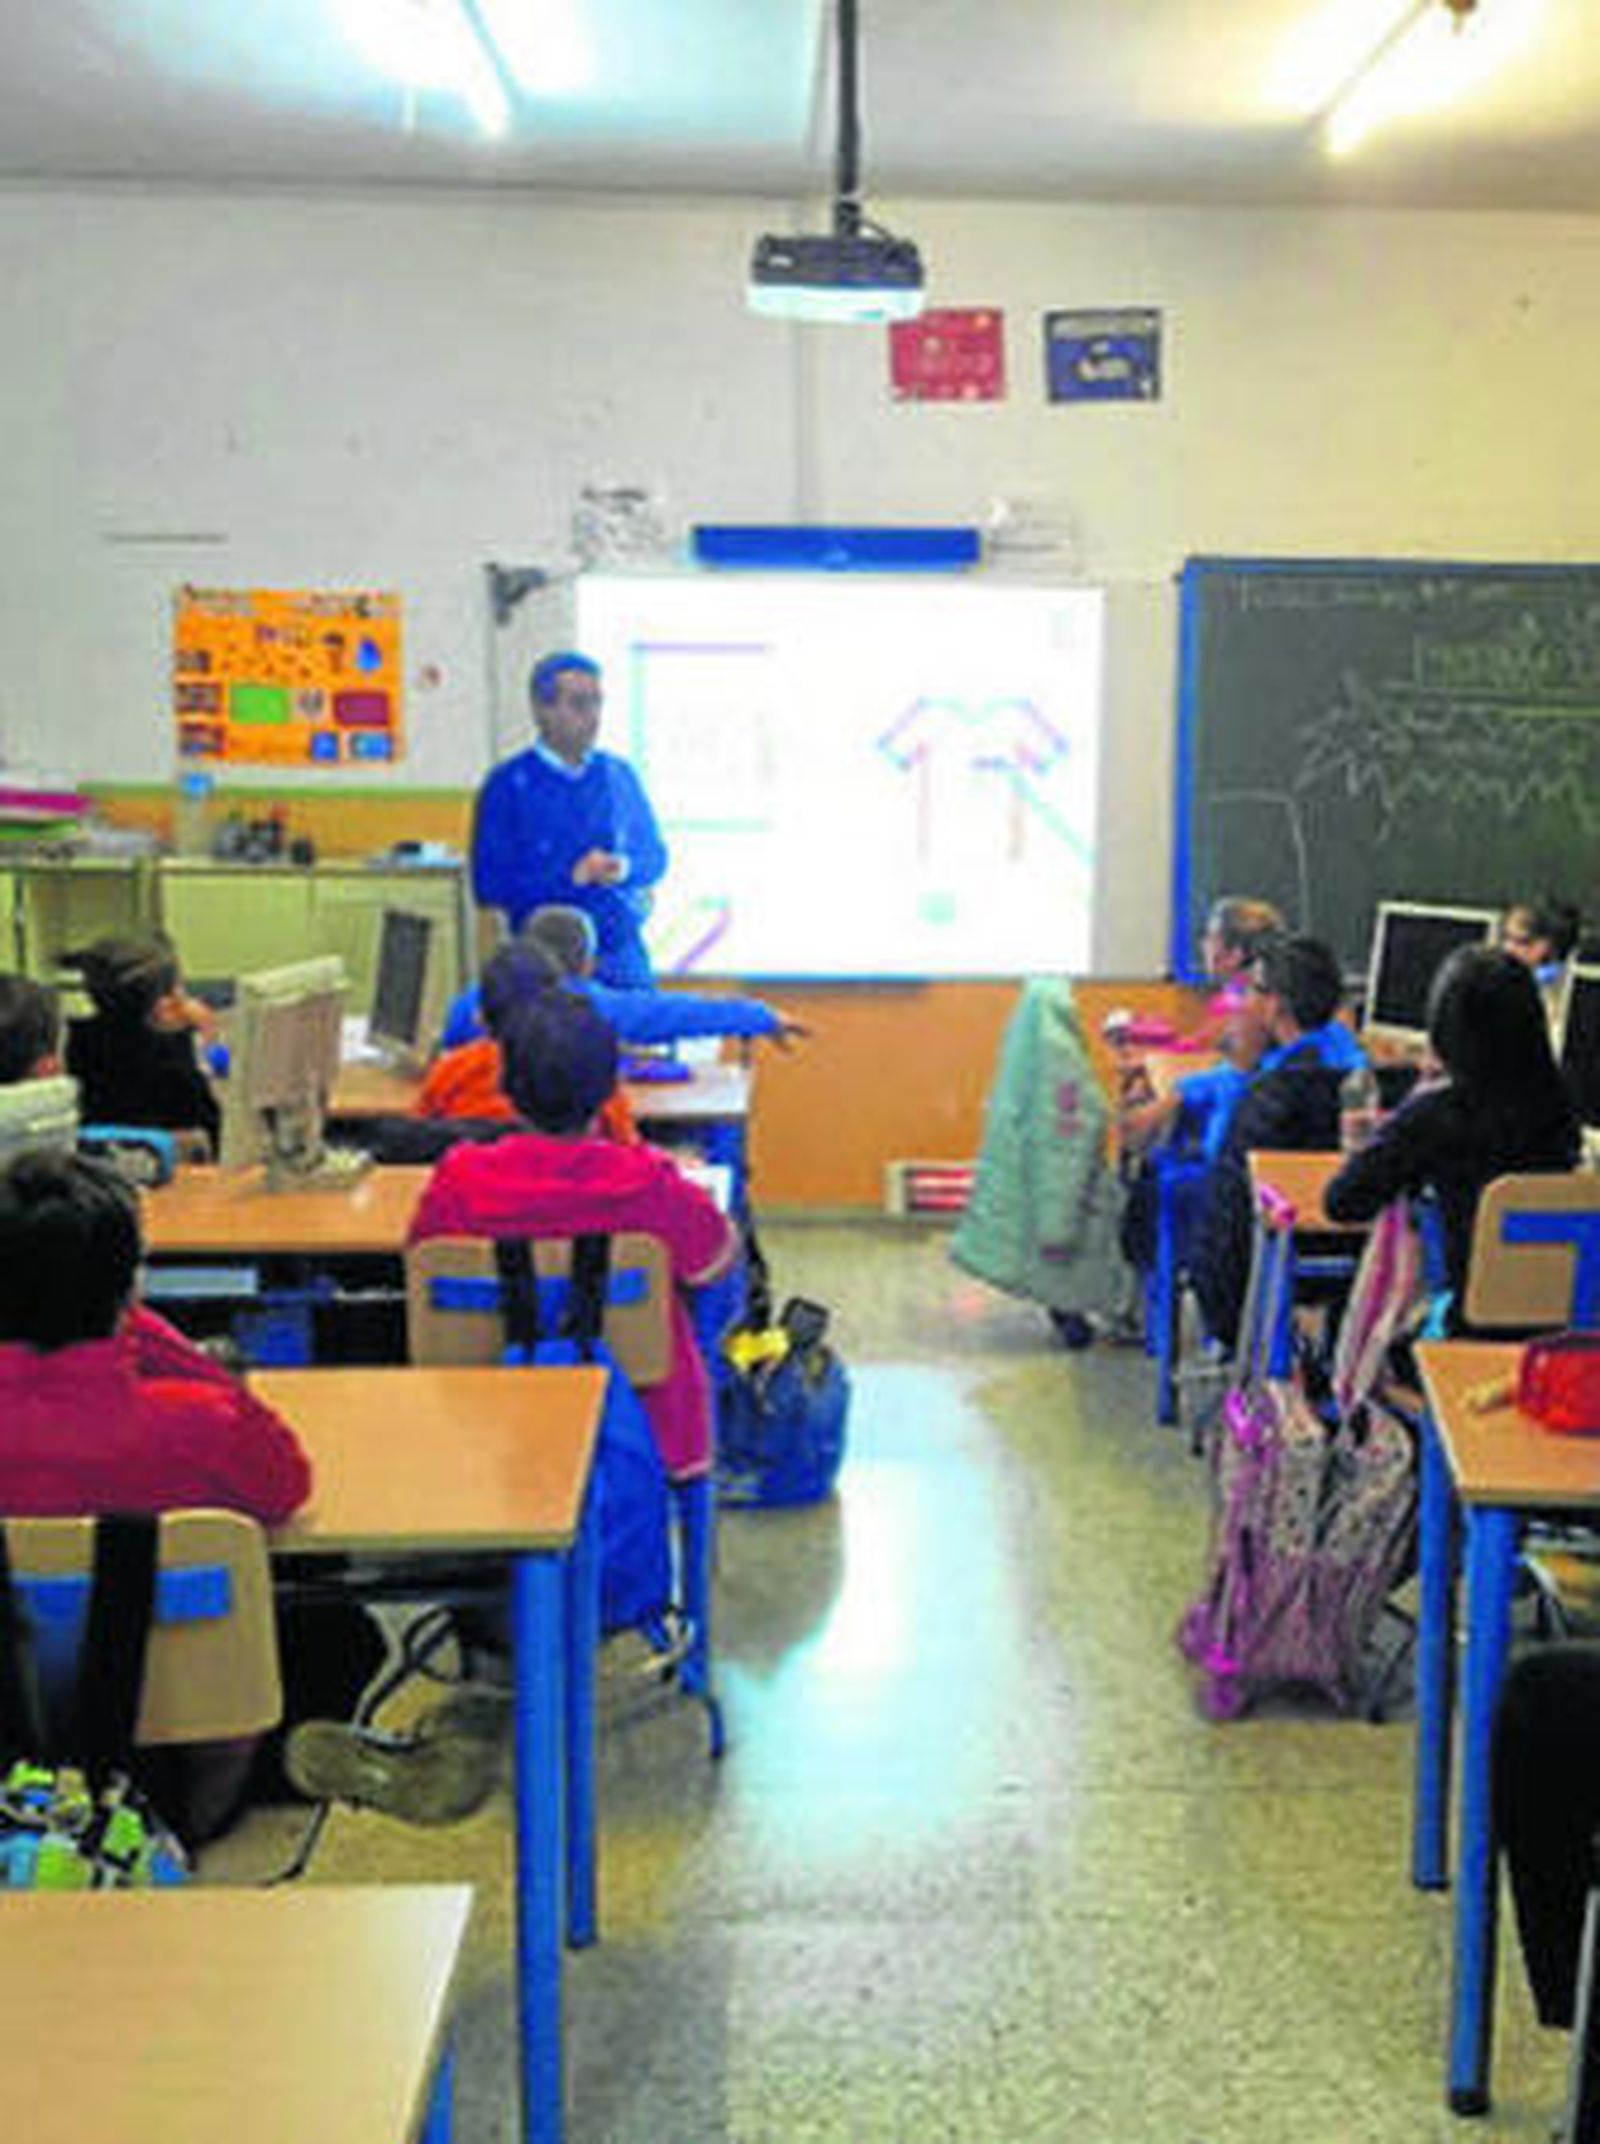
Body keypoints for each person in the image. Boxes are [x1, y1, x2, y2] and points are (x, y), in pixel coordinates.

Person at [410, 987, 736, 1481]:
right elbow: (714, 1258)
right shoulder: (645, 1180)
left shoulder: (460, 1177)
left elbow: (424, 1261)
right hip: (639, 1421)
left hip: (485, 1411)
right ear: (609, 1088)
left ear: (508, 1088)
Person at [1324, 943, 1580, 1328]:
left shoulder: (1436, 1115)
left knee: (1347, 1318)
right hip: (1561, 1335)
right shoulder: (1561, 1109)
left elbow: (1342, 1202)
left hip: (1467, 1327)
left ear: (1445, 1028)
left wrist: (1408, 1111)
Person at [1188, 933, 1367, 1353]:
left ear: (1275, 1005)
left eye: (1252, 991)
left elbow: (1222, 1167)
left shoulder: (1271, 1090)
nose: (1244, 1002)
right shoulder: (1356, 1067)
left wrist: (1239, 1069)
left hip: (1256, 1272)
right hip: (1345, 1261)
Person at [471, 651, 667, 987]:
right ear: (542, 709)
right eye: (578, 704)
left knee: (640, 1026)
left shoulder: (617, 776)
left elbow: (655, 858)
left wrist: (623, 868)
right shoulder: (508, 786)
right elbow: (488, 885)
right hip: (546, 959)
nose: (592, 717)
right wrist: (568, 879)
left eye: (597, 703)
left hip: (619, 954)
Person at [439, 902, 809, 1057]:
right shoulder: (600, 1008)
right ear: (588, 964)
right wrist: (762, 1017)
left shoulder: (471, 1003)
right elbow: (683, 1013)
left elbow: (441, 1059)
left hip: (487, 1156)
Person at [417, 937, 642, 1147]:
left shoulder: (454, 1071)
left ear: (481, 1018)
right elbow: (628, 1143)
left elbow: (418, 1135)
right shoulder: (589, 1072)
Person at [64, 931, 221, 1150]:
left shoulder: (73, 1042)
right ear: (164, 1000)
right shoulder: (177, 1056)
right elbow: (220, 1130)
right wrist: (210, 1037)